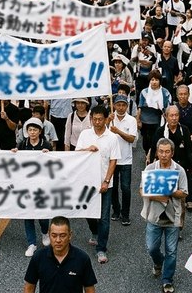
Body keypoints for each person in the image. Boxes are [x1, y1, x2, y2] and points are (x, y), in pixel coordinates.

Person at [141, 138, 188, 293]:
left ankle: (167, 280)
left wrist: (170, 192)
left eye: (167, 151)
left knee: (172, 251)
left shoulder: (179, 170)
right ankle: (159, 262)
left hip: (172, 216)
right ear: (157, 152)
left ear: (172, 153)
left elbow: (184, 192)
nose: (164, 155)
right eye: (161, 151)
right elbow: (142, 190)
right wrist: (158, 195)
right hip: (154, 215)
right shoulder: (150, 169)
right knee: (152, 247)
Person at [75, 105, 120, 264]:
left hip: (105, 183)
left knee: (104, 217)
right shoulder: (85, 134)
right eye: (94, 119)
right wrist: (88, 149)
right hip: (86, 182)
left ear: (106, 118)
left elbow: (113, 160)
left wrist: (107, 181)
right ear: (90, 118)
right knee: (88, 212)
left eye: (100, 119)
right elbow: (76, 155)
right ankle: (95, 232)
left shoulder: (112, 137)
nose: (97, 122)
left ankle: (101, 248)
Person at [12, 118, 52, 257]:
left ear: (40, 131)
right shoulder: (23, 144)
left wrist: (49, 155)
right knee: (28, 214)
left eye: (35, 130)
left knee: (42, 214)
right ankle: (31, 243)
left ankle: (45, 232)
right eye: (30, 130)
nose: (32, 132)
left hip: (42, 185)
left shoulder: (46, 144)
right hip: (26, 185)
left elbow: (53, 163)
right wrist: (14, 152)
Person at [23, 216, 97, 293]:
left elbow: (90, 289)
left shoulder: (82, 259)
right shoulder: (38, 257)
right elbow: (29, 288)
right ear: (49, 235)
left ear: (70, 235)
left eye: (62, 235)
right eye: (54, 235)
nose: (58, 240)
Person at [108, 94, 137, 226]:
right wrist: (108, 122)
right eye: (118, 105)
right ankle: (116, 210)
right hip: (111, 159)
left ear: (127, 106)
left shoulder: (131, 120)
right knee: (113, 188)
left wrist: (118, 131)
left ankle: (125, 214)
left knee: (125, 188)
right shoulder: (110, 118)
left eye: (123, 105)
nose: (120, 107)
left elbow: (132, 139)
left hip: (125, 159)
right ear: (114, 105)